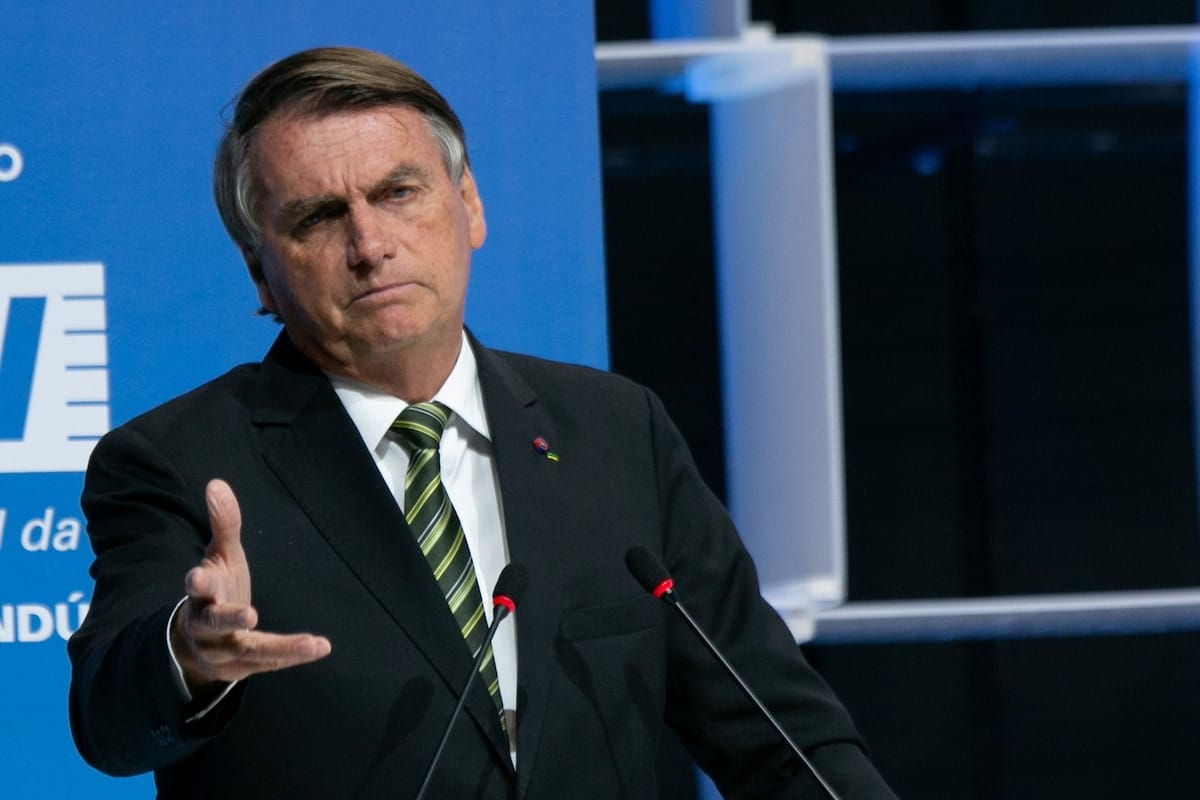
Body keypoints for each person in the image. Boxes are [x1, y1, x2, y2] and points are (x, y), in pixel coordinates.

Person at [67, 46, 896, 799]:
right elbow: (107, 718)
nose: (369, 243)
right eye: (317, 217)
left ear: (468, 205)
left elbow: (780, 735)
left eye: (397, 193)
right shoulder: (178, 461)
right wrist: (188, 654)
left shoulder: (614, 431)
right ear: (259, 270)